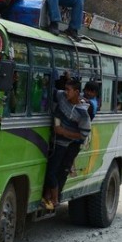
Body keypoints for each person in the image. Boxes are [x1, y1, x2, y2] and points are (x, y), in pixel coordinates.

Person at [42, 78, 91, 210]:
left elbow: (83, 134)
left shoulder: (83, 113)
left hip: (62, 145)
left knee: (52, 172)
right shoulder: (62, 96)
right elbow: (51, 92)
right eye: (65, 89)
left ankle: (55, 200)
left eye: (68, 90)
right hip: (52, 140)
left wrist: (63, 132)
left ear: (76, 92)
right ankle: (47, 197)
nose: (65, 92)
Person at [63, 81, 99, 179]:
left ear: (95, 93)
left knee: (68, 159)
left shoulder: (92, 104)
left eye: (91, 91)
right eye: (87, 90)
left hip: (79, 134)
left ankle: (70, 169)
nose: (88, 93)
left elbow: (84, 103)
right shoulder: (87, 99)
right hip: (75, 132)